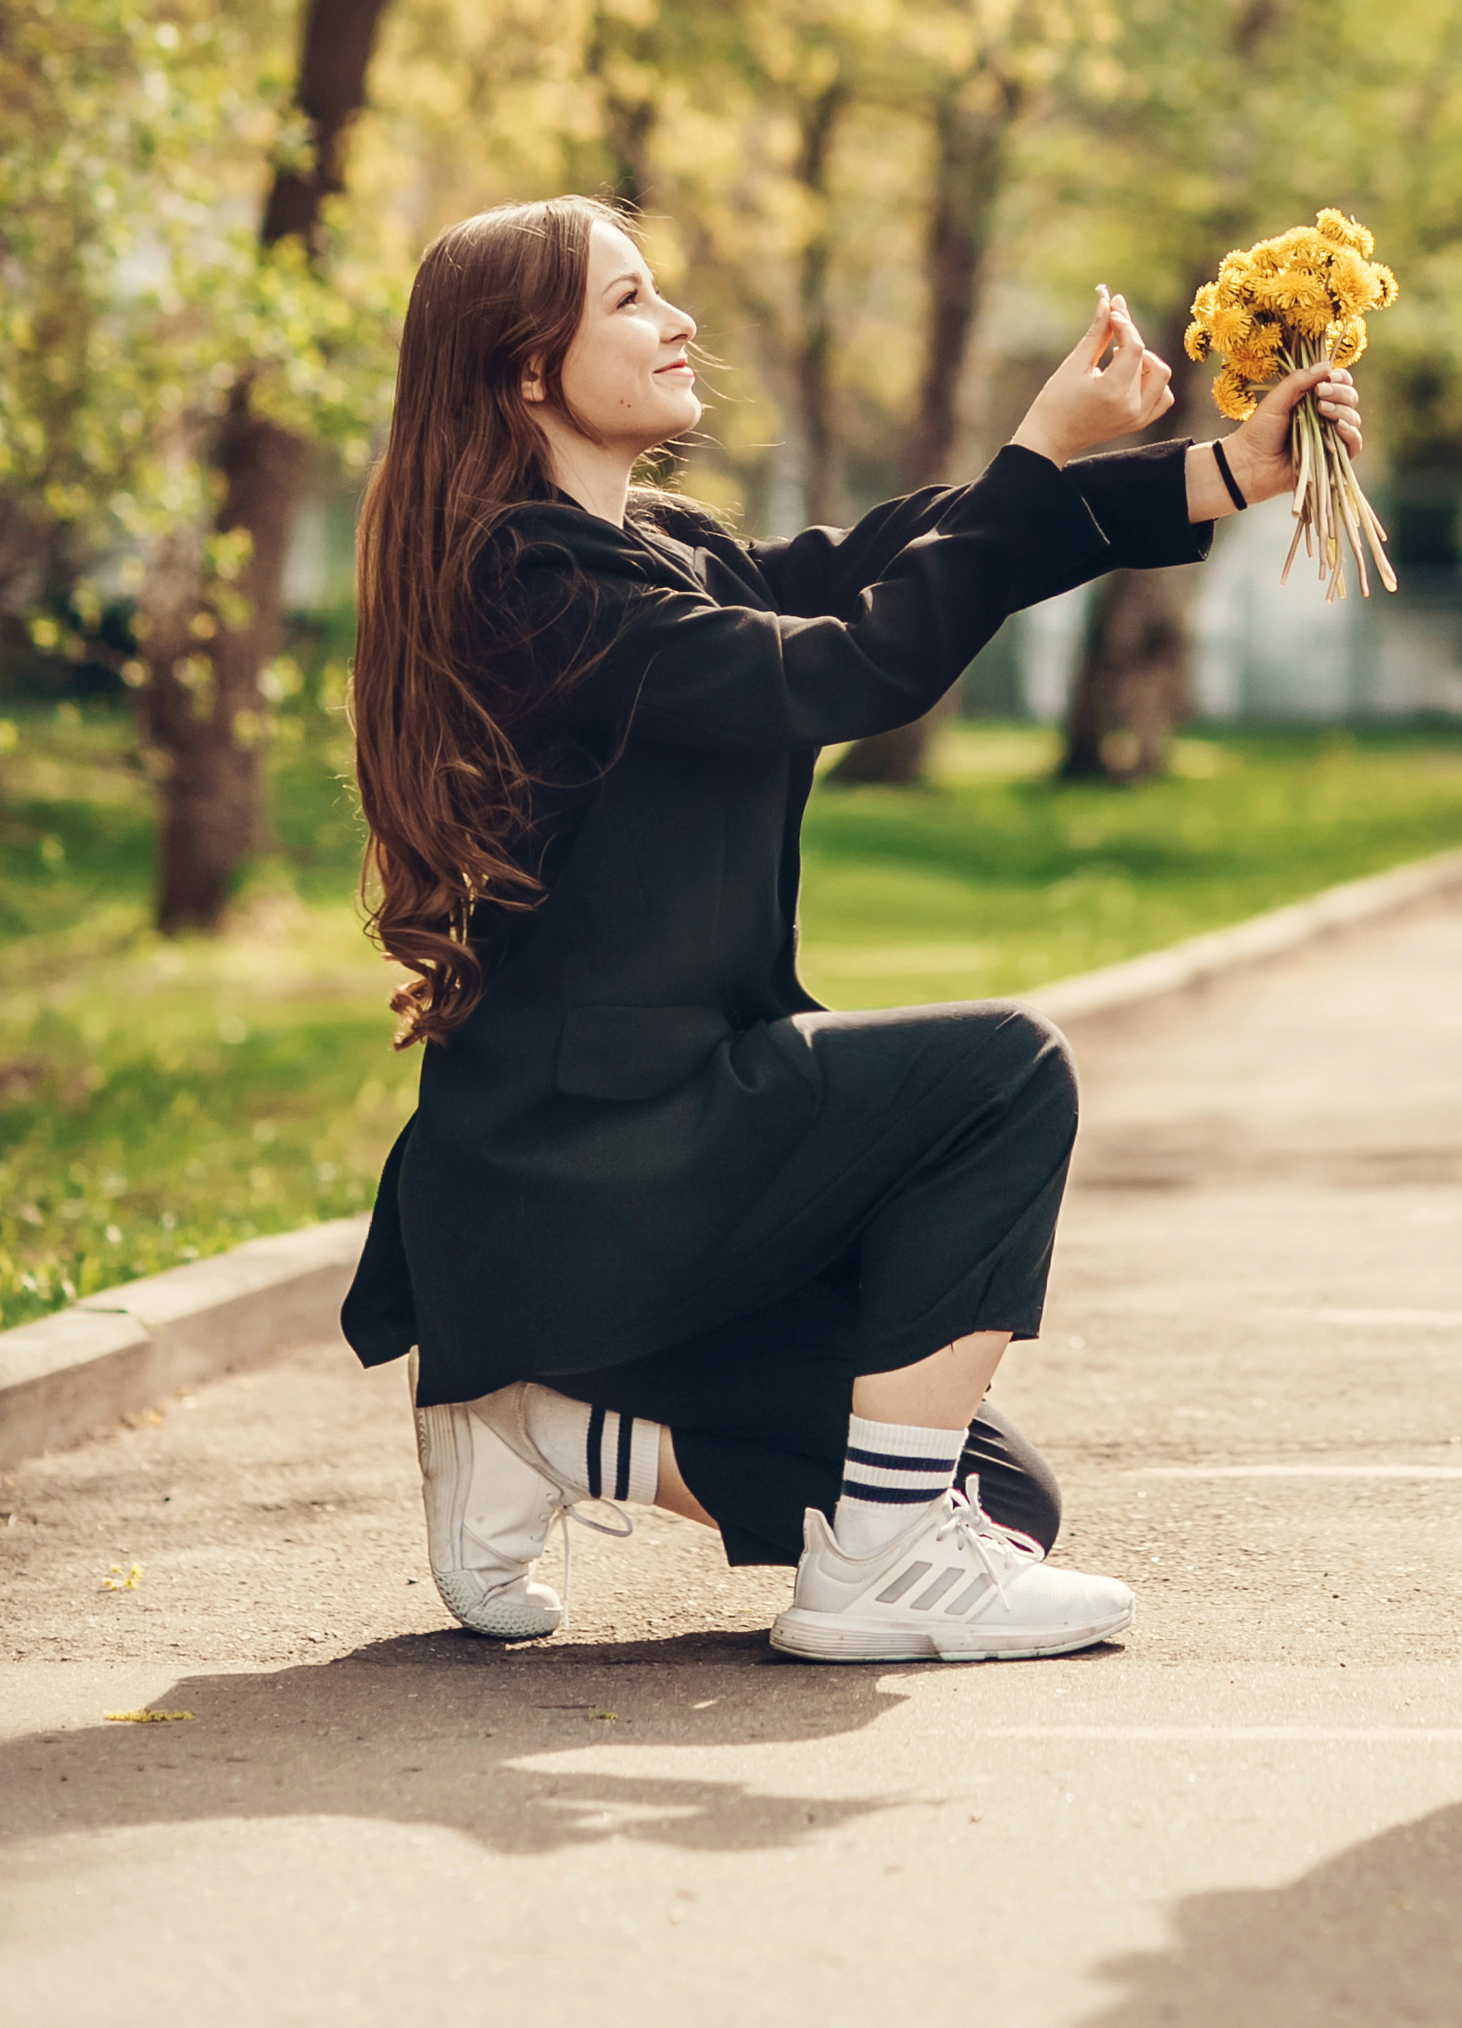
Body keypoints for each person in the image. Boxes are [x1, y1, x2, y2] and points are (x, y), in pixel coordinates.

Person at [340, 194, 1360, 1665]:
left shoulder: (650, 542)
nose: (677, 321)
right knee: (1004, 1070)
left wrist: (1212, 474)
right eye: (629, 301)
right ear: (521, 371)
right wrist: (1037, 450)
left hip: (667, 1153)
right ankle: (876, 1568)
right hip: (592, 1158)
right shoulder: (531, 580)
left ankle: (548, 1436)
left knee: (999, 1490)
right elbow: (855, 670)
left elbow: (890, 555)